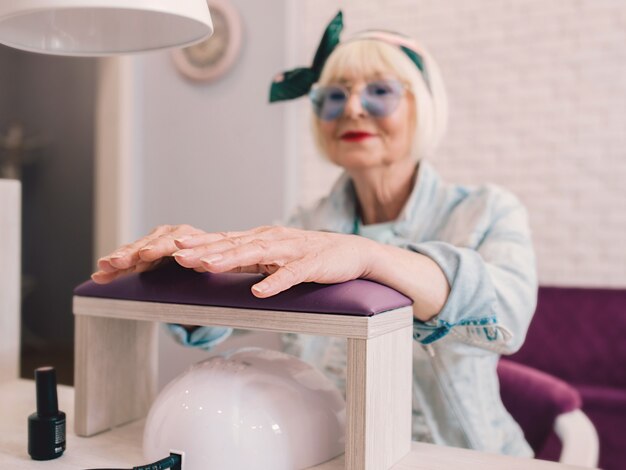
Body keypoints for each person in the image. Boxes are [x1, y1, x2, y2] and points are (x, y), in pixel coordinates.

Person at [92, 11, 537, 457]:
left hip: (458, 455)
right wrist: (188, 271)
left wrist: (370, 256)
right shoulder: (306, 224)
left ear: (425, 105)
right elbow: (234, 317)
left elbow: (506, 315)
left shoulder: (484, 211)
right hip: (332, 453)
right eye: (333, 96)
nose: (353, 108)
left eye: (380, 92)